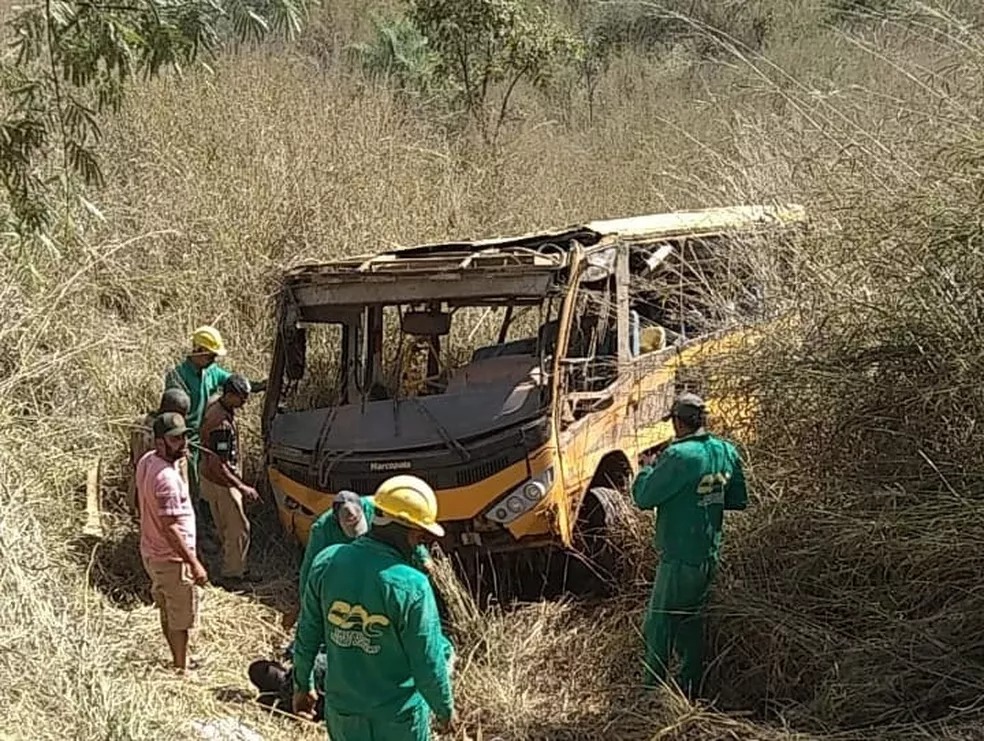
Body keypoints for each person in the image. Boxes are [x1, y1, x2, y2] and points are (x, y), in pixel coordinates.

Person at [292, 475, 457, 740]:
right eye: (420, 536)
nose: (419, 543)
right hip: (398, 721)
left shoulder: (326, 563)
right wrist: (445, 710)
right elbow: (427, 660)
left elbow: (307, 632)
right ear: (411, 531)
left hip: (344, 716)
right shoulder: (412, 586)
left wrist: (303, 684)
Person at [631, 391, 748, 700]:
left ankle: (650, 694)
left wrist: (645, 468)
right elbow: (738, 499)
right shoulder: (726, 451)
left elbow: (644, 498)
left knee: (659, 624)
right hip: (709, 553)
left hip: (679, 558)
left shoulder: (680, 456)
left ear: (678, 423)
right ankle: (690, 687)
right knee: (691, 623)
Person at [163, 325, 266, 535]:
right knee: (190, 487)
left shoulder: (211, 371)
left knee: (208, 487)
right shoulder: (177, 377)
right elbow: (173, 416)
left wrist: (259, 386)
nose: (213, 360)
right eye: (210, 355)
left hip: (205, 438)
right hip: (188, 442)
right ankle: (197, 530)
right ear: (199, 351)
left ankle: (209, 521)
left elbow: (233, 383)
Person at [135, 412, 208, 675]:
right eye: (175, 439)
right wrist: (194, 562)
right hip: (171, 559)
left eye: (184, 436)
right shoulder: (166, 478)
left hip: (152, 551)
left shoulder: (147, 462)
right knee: (180, 617)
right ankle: (181, 668)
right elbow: (171, 527)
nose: (183, 442)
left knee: (168, 608)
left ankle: (181, 660)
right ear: (159, 443)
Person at [199, 373, 260, 589]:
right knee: (238, 528)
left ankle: (235, 567)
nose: (245, 402)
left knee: (226, 526)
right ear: (230, 395)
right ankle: (233, 575)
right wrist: (241, 487)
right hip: (222, 483)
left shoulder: (216, 404)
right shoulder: (221, 425)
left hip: (213, 478)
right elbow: (219, 464)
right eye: (242, 397)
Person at [127, 388, 191, 516]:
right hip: (159, 489)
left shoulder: (139, 422)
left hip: (139, 483)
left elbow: (132, 454)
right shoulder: (165, 435)